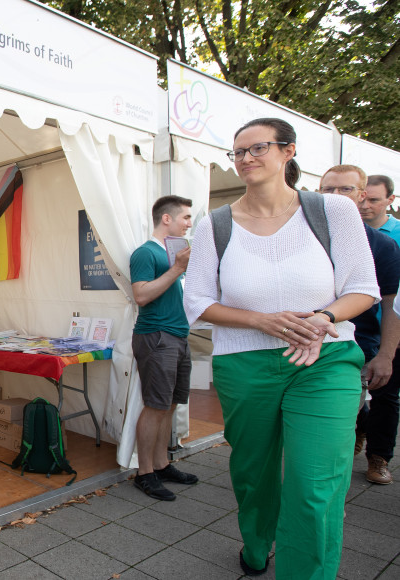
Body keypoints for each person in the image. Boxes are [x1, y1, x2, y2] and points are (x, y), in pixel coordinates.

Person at [183, 118, 378, 578]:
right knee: (253, 475)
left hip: (323, 359)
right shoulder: (216, 223)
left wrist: (323, 318)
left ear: (288, 152)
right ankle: (256, 544)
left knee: (315, 488)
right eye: (238, 152)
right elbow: (196, 301)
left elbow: (364, 287)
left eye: (258, 148)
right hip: (244, 364)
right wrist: (259, 320)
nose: (246, 159)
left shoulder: (334, 211)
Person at [320, 166, 400, 484]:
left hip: (367, 340)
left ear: (361, 195)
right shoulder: (305, 236)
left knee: (386, 396)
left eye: (345, 190)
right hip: (319, 339)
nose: (336, 197)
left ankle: (379, 457)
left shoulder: (382, 245)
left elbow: (393, 307)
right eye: (328, 190)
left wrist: (387, 353)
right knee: (336, 411)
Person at [129, 195, 199, 501]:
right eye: (185, 217)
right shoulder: (145, 253)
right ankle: (144, 473)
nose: (189, 223)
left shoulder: (173, 254)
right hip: (156, 336)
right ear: (166, 219)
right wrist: (177, 269)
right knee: (155, 405)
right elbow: (141, 296)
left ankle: (161, 463)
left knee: (170, 405)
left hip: (177, 337)